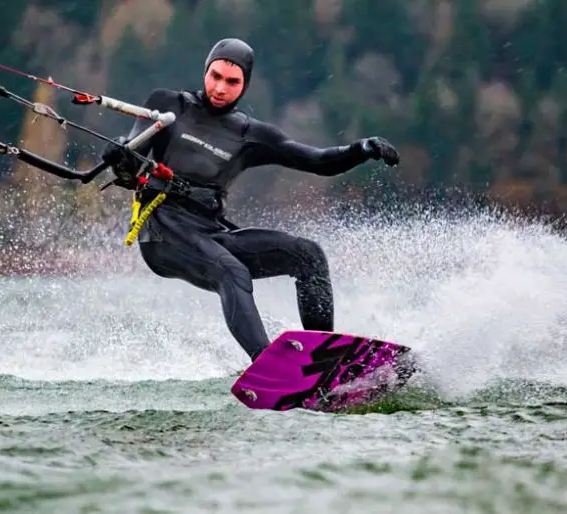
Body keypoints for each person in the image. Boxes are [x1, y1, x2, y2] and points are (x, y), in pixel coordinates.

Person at [103, 38, 400, 361]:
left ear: (245, 85)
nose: (220, 87)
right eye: (215, 76)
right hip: (162, 232)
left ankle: (323, 359)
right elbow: (130, 162)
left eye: (232, 82)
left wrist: (359, 150)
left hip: (210, 233)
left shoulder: (250, 134)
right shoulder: (169, 105)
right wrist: (121, 155)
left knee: (308, 255)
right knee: (231, 272)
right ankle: (268, 365)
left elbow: (317, 161)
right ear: (206, 71)